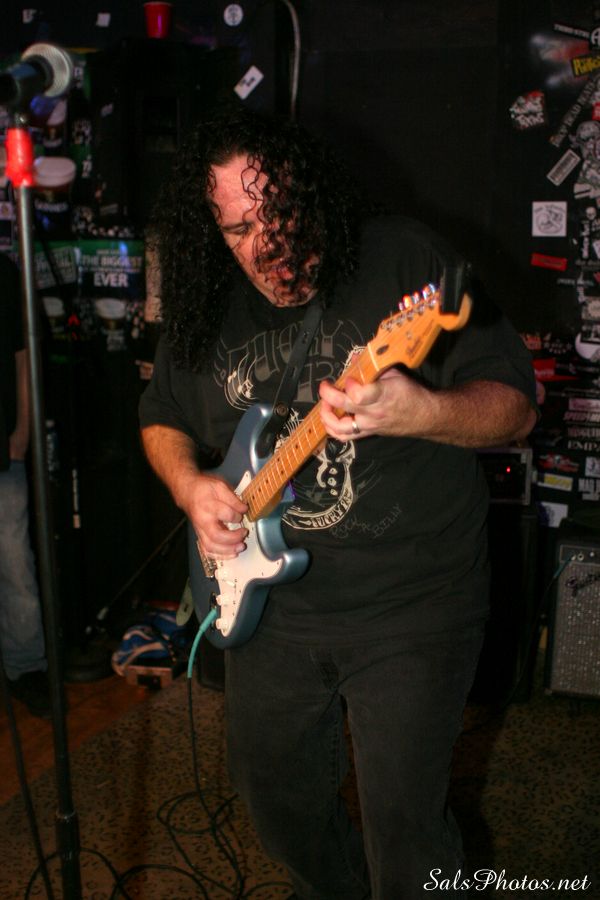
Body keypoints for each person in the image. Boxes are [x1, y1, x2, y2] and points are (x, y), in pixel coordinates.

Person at [138, 107, 537, 899]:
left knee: (407, 835)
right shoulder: (209, 301)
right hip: (269, 615)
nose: (263, 246)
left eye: (277, 214)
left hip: (411, 602)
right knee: (277, 809)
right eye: (237, 228)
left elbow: (516, 411)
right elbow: (161, 416)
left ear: (310, 192)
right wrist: (190, 486)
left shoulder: (402, 260)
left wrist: (422, 412)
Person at [0, 251, 50, 719]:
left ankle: (26, 668)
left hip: (3, 447)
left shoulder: (2, 271)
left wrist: (21, 433)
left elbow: (21, 357)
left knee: (15, 562)